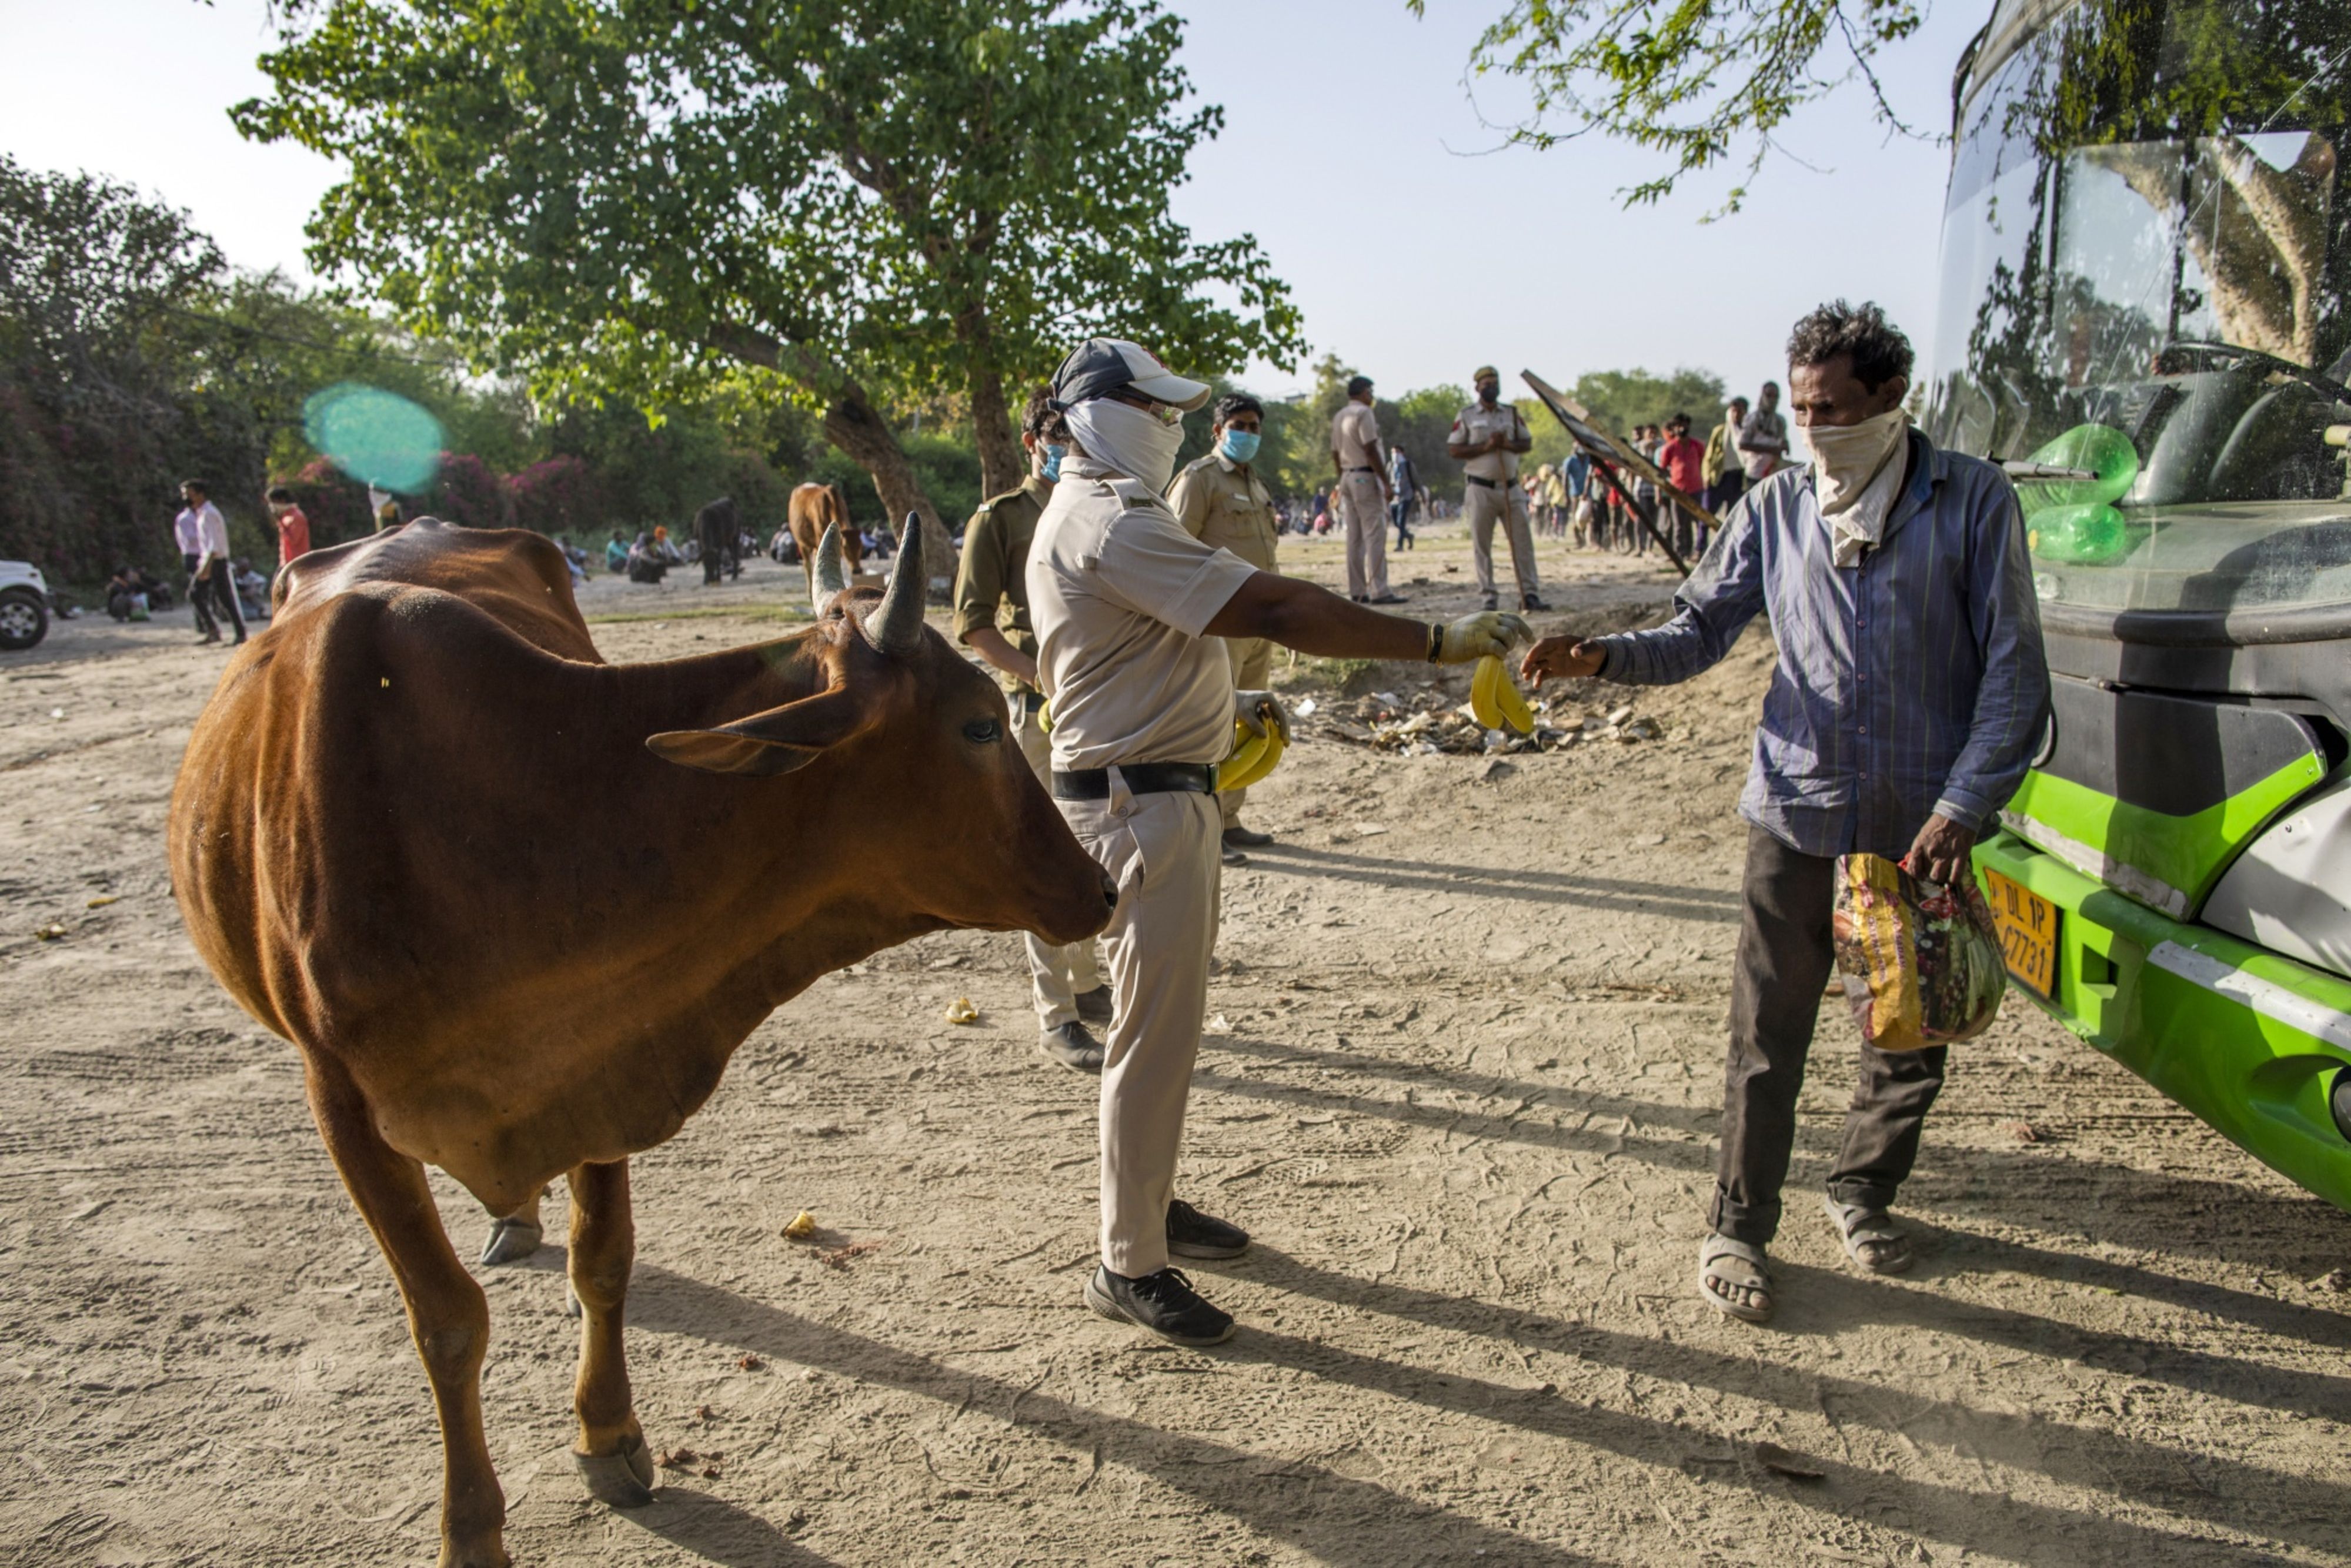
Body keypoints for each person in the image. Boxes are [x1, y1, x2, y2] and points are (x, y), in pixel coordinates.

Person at [1520, 300, 2050, 1327]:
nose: (1813, 426)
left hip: (1917, 827)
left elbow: (2013, 679)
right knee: (1767, 1032)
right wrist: (1600, 656)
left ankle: (1861, 1190)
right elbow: (1694, 631)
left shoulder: (1975, 502)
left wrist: (1960, 805)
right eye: (1800, 407)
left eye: (1833, 407)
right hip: (1796, 809)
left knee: (1906, 1023)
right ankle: (1738, 1224)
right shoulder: (1771, 508)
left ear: (1890, 399)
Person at [1028, 337, 1530, 1346]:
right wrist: (1433, 643)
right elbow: (1277, 604)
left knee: (1158, 1032)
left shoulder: (1101, 511)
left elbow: (1145, 650)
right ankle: (1126, 1261)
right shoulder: (1110, 518)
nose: (1169, 423)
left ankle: (1146, 1205)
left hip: (1151, 790)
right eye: (1150, 405)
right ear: (1093, 413)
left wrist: (1235, 705)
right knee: (1149, 1035)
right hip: (1142, 806)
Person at [954, 387, 1116, 1072]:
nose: (1065, 454)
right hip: (1038, 708)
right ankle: (1056, 1014)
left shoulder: (1095, 506)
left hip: (1097, 705)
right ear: (1032, 446)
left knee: (1094, 846)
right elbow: (973, 625)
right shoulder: (1000, 519)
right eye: (1055, 442)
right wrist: (1040, 677)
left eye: (1074, 442)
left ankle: (1085, 983)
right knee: (1040, 856)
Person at [1170, 393, 1283, 865]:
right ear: (1217, 431)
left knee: (1251, 724)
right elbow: (1173, 549)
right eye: (1239, 424)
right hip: (1217, 622)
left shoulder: (1255, 484)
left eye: (1255, 426)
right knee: (1213, 724)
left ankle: (1231, 818)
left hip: (1259, 623)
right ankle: (1206, 829)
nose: (1248, 434)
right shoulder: (1199, 480)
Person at [1448, 367, 1546, 611]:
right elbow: (1454, 450)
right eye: (1487, 383)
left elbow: (1527, 442)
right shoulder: (1467, 415)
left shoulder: (1511, 414)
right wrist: (1486, 446)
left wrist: (1508, 444)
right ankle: (1488, 597)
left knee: (1522, 543)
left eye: (1496, 382)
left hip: (1511, 487)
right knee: (1483, 545)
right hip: (1480, 488)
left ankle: (1530, 594)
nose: (1492, 387)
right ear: (1478, 388)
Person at [1329, 375, 1402, 605]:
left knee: (1355, 537)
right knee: (1374, 533)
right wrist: (1386, 482)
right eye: (1370, 392)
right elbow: (1370, 448)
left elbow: (1334, 452)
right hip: (1364, 476)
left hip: (1347, 475)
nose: (1372, 397)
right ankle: (1381, 590)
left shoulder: (1340, 416)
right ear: (1363, 392)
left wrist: (1341, 477)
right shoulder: (1364, 413)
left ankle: (1357, 590)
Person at [176, 480, 245, 647]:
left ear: (200, 494)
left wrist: (205, 567)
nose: (186, 498)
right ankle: (216, 630)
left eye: (189, 494)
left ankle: (236, 633)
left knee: (220, 597)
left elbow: (213, 546)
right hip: (209, 561)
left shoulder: (209, 514)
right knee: (203, 595)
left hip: (215, 561)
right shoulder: (202, 514)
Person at [1656, 413, 1708, 559]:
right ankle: (1680, 553)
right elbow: (1662, 470)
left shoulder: (1697, 445)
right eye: (1679, 425)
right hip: (1677, 490)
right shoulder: (1669, 448)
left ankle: (1699, 551)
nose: (1682, 428)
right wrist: (1660, 492)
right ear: (1674, 428)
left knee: (1699, 522)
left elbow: (1704, 463)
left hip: (1696, 488)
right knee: (1679, 524)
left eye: (1685, 425)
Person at [1704, 397, 1752, 517]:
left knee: (1733, 516)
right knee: (1707, 514)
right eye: (1734, 411)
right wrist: (1706, 476)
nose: (1736, 415)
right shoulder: (1720, 431)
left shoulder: (1748, 432)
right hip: (1720, 476)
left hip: (1739, 477)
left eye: (1740, 411)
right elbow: (1709, 456)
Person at [1739, 382, 1790, 484]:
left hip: (1773, 472)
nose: (1772, 400)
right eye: (1769, 396)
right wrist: (1770, 450)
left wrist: (1784, 447)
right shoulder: (1752, 418)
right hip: (1755, 471)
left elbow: (1783, 441)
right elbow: (1743, 444)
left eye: (1775, 396)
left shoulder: (1780, 420)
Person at [266, 486, 311, 572]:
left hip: (297, 565)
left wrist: (281, 525)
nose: (272, 506)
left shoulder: (296, 517)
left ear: (282, 500)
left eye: (273, 502)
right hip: (285, 563)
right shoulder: (285, 516)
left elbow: (294, 541)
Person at [696, 496, 738, 585]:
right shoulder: (700, 521)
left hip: (720, 533)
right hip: (713, 538)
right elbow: (697, 536)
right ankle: (708, 574)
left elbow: (720, 543)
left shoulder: (719, 523)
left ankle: (722, 572)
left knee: (734, 547)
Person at [1387, 442, 1418, 552]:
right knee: (1396, 523)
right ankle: (1409, 536)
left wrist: (1422, 495)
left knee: (1401, 521)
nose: (1395, 454)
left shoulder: (1408, 465)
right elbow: (1387, 481)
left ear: (1402, 453)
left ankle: (1400, 545)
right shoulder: (1390, 466)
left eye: (1397, 452)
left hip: (1407, 495)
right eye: (1393, 452)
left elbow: (1416, 480)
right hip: (1395, 498)